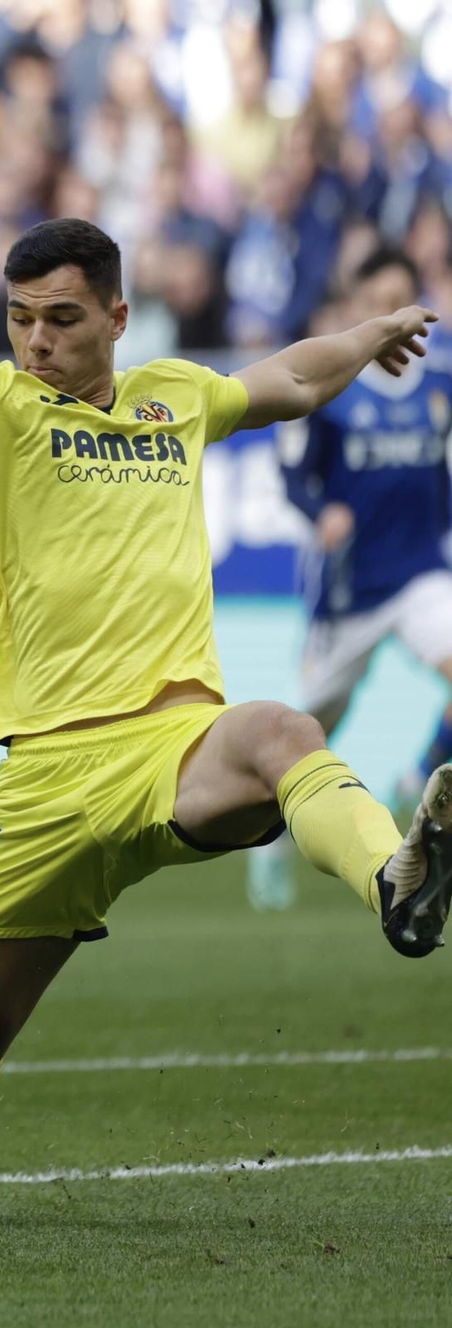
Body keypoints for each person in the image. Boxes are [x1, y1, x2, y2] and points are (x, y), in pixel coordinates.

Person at [0, 73, 452, 1223]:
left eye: (59, 318)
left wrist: (366, 330)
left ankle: (392, 884)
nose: (34, 342)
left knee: (277, 729)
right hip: (48, 770)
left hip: (173, 743)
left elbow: (292, 379)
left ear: (116, 317)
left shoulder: (173, 399)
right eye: (18, 318)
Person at [245, 249, 452, 909]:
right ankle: (269, 839)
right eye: (380, 300)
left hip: (422, 575)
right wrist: (320, 511)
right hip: (351, 591)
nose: (396, 313)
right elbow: (292, 476)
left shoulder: (440, 381)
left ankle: (421, 773)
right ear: (363, 309)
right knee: (308, 731)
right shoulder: (337, 388)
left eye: (404, 298)